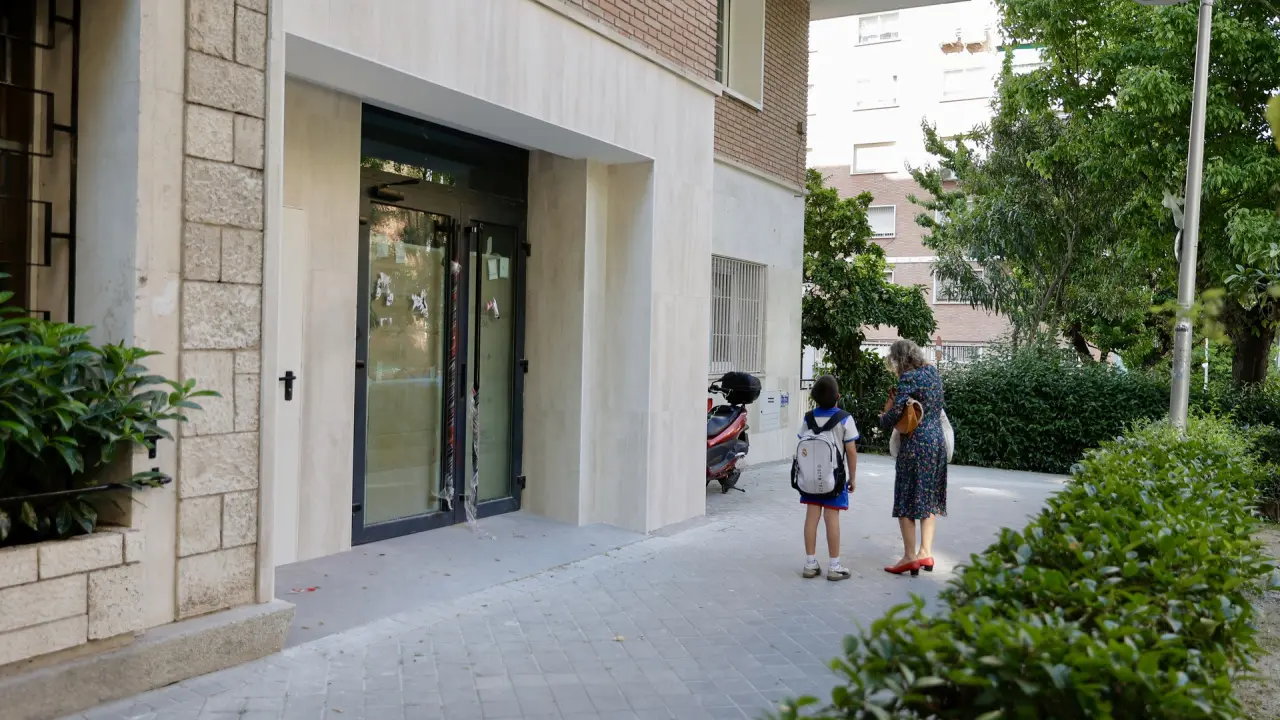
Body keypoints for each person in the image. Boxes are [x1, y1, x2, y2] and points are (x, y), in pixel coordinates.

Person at [879, 340, 948, 576]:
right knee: (928, 497)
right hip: (936, 442)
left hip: (915, 444)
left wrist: (882, 417)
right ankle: (925, 552)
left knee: (906, 496)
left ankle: (909, 557)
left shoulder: (908, 378)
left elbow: (895, 415)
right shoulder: (932, 373)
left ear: (899, 359)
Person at [798, 375, 858, 581]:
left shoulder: (808, 418)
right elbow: (851, 452)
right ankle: (834, 566)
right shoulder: (845, 419)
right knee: (831, 519)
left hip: (810, 479)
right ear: (837, 397)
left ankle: (810, 564)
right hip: (834, 479)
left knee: (811, 518)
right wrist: (853, 478)